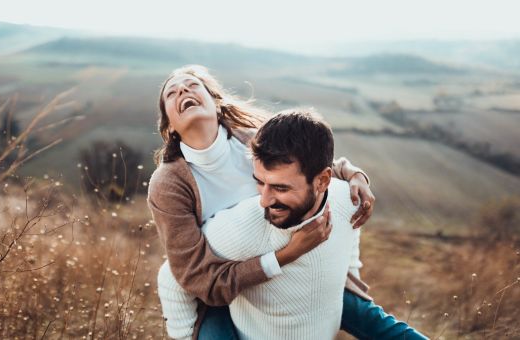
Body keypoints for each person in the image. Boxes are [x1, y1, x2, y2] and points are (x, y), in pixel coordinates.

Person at [147, 65, 382, 339]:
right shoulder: (168, 185)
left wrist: (354, 174)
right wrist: (287, 255)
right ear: (169, 125)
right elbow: (197, 277)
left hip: (291, 268)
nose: (183, 91)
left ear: (216, 102)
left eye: (191, 85)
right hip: (220, 292)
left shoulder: (253, 138)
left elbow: (309, 166)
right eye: (171, 93)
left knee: (371, 320)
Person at [156, 111, 428, 340]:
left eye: (280, 187)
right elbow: (172, 278)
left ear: (323, 181)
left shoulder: (350, 199)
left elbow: (349, 238)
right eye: (259, 182)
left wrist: (344, 283)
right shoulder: (244, 225)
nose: (263, 200)